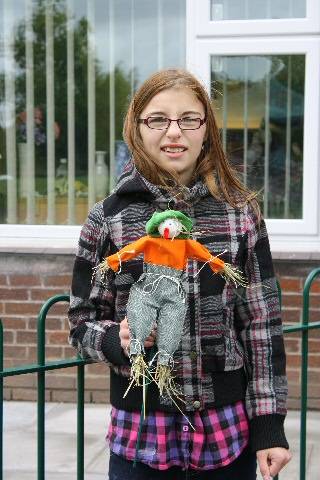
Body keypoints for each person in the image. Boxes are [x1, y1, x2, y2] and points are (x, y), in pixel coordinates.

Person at [68, 68, 291, 480]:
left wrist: (269, 425)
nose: (175, 132)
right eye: (158, 119)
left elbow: (261, 325)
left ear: (207, 129)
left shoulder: (240, 215)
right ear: (136, 128)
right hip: (141, 436)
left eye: (189, 118)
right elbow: (81, 320)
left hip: (226, 433)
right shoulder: (108, 218)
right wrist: (113, 338)